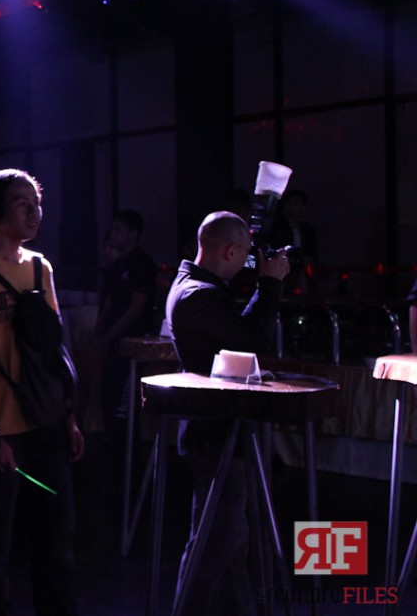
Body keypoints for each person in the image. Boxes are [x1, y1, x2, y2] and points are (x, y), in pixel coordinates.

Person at [0, 168, 84, 616]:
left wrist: (68, 416)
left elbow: (53, 350)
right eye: (22, 204)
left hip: (45, 424)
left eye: (36, 203)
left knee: (56, 542)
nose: (33, 212)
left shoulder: (41, 267)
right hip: (0, 428)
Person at [165, 210, 290, 615]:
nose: (249, 262)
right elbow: (253, 340)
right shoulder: (198, 295)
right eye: (246, 254)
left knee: (231, 543)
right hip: (215, 430)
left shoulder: (196, 287)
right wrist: (270, 284)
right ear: (231, 251)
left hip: (217, 428)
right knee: (213, 545)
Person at [93, 210, 156, 449]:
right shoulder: (115, 266)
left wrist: (108, 336)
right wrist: (99, 335)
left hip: (131, 347)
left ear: (133, 234)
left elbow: (136, 308)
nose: (113, 234)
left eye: (118, 229)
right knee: (109, 400)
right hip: (111, 346)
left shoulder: (142, 265)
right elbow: (107, 304)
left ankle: (129, 455)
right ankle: (113, 454)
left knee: (125, 406)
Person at [270, 189, 318, 295]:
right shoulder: (278, 229)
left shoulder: (308, 230)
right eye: (288, 203)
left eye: (296, 202)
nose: (291, 207)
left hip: (303, 273)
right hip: (283, 273)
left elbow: (313, 253)